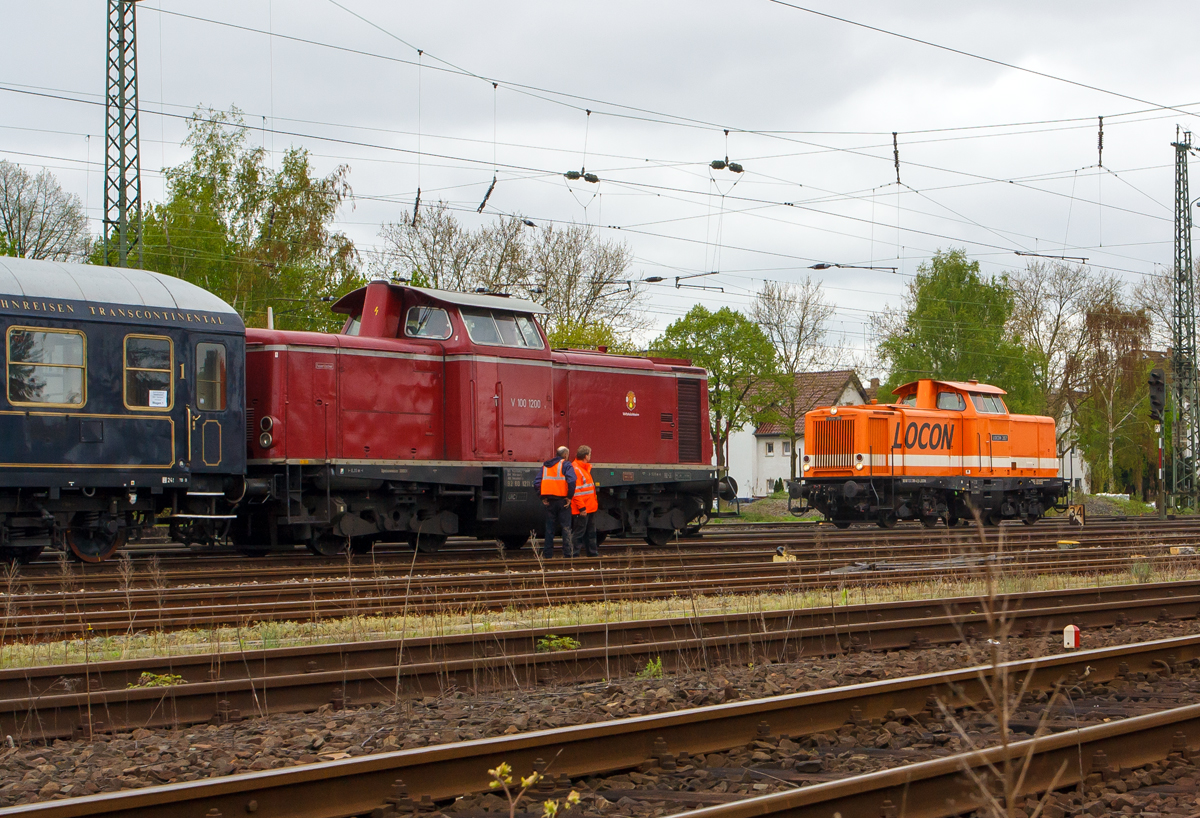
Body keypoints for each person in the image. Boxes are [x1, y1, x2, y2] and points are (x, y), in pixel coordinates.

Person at [538, 445, 576, 559]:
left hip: (549, 501)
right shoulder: (566, 465)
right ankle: (568, 554)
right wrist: (569, 497)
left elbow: (536, 482)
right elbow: (572, 480)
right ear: (565, 455)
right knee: (566, 528)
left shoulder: (546, 466)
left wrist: (542, 497)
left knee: (549, 529)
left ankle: (548, 555)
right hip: (563, 501)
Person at [570, 445, 599, 558]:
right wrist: (582, 508)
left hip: (589, 507)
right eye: (590, 455)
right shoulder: (577, 469)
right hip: (582, 509)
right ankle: (574, 555)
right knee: (579, 533)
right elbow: (576, 492)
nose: (590, 457)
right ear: (586, 456)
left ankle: (592, 553)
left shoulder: (583, 469)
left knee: (590, 532)